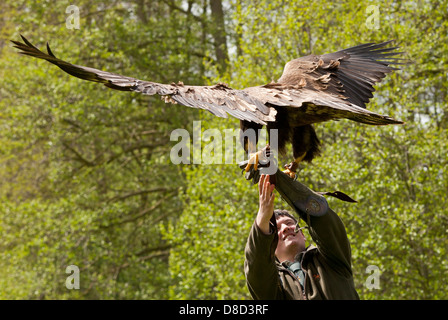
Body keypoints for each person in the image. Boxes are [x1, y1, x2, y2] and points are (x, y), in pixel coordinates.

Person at [244, 174, 360, 300]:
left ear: (303, 234)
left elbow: (325, 223)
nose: (285, 228)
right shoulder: (273, 285)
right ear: (270, 245)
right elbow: (257, 267)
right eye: (277, 229)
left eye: (289, 223)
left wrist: (279, 178)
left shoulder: (332, 260)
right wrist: (262, 221)